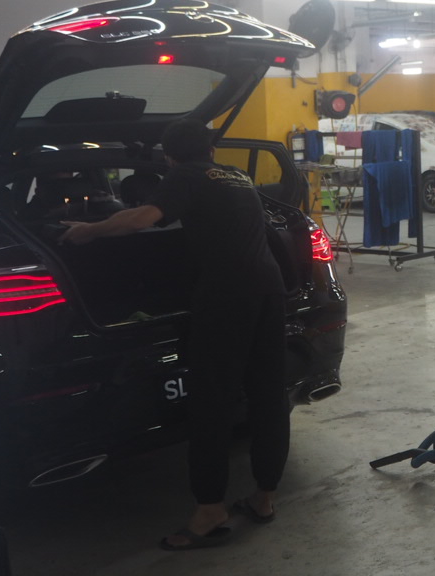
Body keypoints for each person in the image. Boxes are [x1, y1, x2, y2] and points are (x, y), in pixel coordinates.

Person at [60, 120, 288, 551]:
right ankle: (264, 498)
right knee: (268, 395)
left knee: (211, 403)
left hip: (225, 298)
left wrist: (88, 230)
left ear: (169, 157)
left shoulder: (185, 175)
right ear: (212, 150)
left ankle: (210, 511)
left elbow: (142, 218)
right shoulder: (237, 176)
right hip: (268, 289)